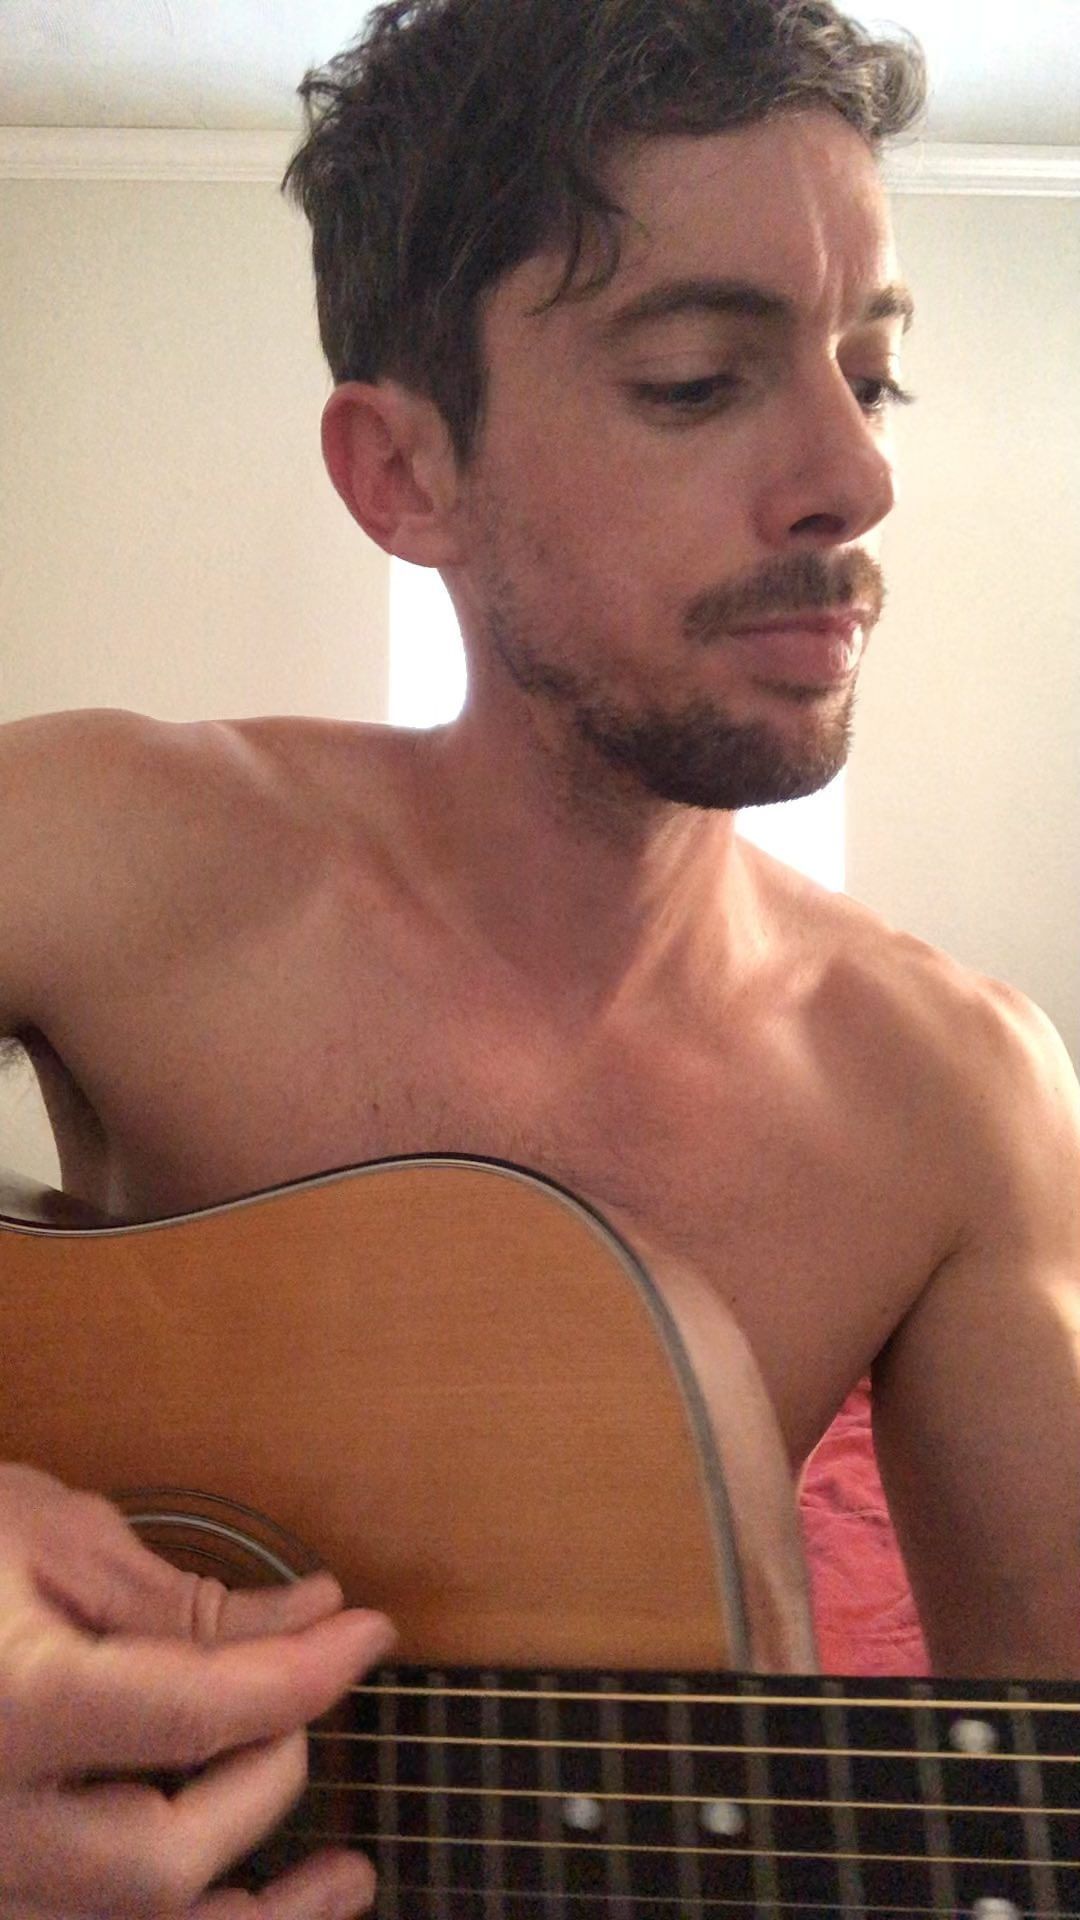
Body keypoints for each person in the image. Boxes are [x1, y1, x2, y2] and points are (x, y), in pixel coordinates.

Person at [3, 0, 1079, 1911]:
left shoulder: (960, 1099)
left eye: (873, 374)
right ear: (406, 475)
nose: (857, 478)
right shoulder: (96, 843)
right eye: (697, 379)